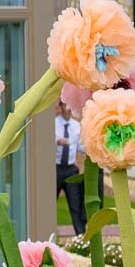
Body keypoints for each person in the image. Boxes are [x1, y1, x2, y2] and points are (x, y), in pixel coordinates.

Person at [55, 100, 88, 236]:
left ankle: (81, 237)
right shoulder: (53, 124)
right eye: (65, 105)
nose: (68, 109)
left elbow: (80, 147)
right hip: (55, 169)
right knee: (49, 204)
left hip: (71, 170)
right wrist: (57, 141)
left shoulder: (76, 126)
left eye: (70, 106)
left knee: (76, 205)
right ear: (60, 107)